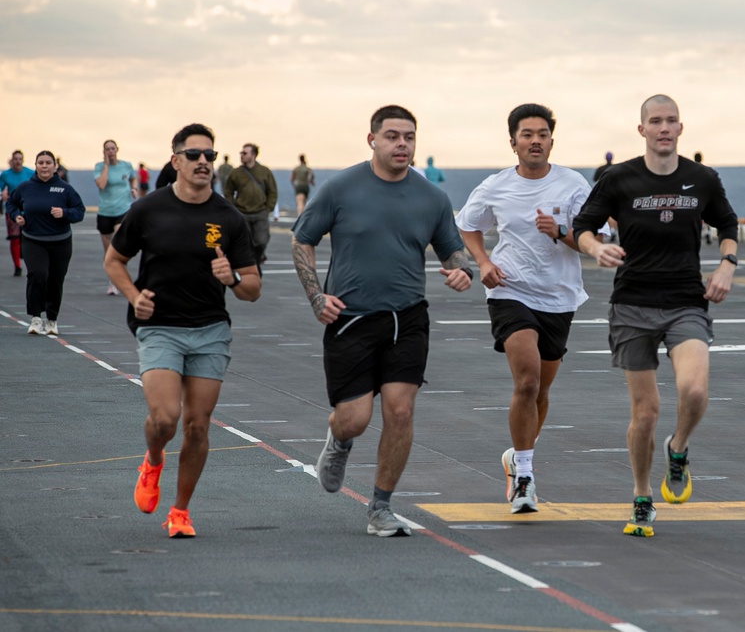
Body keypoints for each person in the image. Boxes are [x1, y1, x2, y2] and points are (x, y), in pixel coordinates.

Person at [291, 105, 472, 537]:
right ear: (372, 139)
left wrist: (463, 269)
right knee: (354, 418)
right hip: (351, 319)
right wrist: (316, 297)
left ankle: (380, 507)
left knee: (400, 411)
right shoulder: (340, 189)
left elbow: (453, 250)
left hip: (407, 318)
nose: (402, 144)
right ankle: (339, 440)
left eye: (409, 136)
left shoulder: (432, 197)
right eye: (392, 136)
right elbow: (302, 240)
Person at [572, 94, 739, 538]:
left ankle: (678, 447)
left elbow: (728, 225)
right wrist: (595, 247)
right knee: (644, 412)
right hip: (632, 305)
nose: (664, 128)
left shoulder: (701, 178)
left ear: (681, 129)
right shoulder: (618, 178)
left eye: (671, 121)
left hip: (686, 300)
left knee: (696, 389)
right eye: (655, 121)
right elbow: (581, 226)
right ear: (642, 129)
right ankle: (642, 496)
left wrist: (727, 264)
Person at [104, 123, 261, 538]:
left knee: (197, 425)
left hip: (210, 330)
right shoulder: (148, 210)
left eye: (209, 155)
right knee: (166, 418)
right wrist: (133, 296)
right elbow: (114, 261)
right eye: (194, 155)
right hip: (159, 328)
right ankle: (153, 458)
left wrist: (231, 279)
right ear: (175, 161)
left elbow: (252, 288)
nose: (204, 162)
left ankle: (180, 510)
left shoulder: (228, 217)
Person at [455, 103, 606, 514]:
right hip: (510, 291)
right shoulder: (495, 186)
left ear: (552, 141)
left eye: (542, 133)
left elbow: (598, 240)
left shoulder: (573, 185)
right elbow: (468, 225)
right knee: (526, 382)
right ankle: (524, 476)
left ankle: (516, 456)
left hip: (558, 296)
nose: (535, 140)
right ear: (513, 143)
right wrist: (484, 263)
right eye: (527, 134)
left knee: (540, 390)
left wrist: (561, 232)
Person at [7, 151, 85, 335]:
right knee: (37, 274)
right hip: (33, 240)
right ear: (35, 166)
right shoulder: (25, 187)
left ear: (54, 166)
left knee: (55, 280)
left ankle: (52, 319)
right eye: (40, 162)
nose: (44, 166)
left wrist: (64, 213)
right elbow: (11, 203)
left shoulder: (65, 189)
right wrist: (16, 215)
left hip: (60, 241)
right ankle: (35, 318)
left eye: (48, 163)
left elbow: (79, 211)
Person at [224, 143, 277, 271]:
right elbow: (228, 191)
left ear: (253, 155)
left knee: (261, 240)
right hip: (242, 212)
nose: (241, 155)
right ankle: (253, 266)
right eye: (241, 153)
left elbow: (272, 191)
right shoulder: (236, 173)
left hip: (260, 212)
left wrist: (268, 208)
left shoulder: (264, 171)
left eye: (245, 153)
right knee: (245, 242)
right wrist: (232, 208)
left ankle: (258, 258)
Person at [94, 139, 136, 295]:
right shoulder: (99, 167)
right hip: (106, 211)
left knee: (119, 244)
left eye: (112, 149)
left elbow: (133, 177)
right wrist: (106, 165)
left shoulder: (126, 165)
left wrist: (134, 188)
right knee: (109, 253)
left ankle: (121, 282)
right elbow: (101, 184)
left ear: (117, 149)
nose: (110, 152)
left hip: (123, 210)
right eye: (107, 149)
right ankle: (113, 281)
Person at [1, 150, 33, 277]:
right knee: (14, 238)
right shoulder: (5, 175)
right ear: (12, 160)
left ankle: (26, 257)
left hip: (28, 210)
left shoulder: (29, 173)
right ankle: (17, 266)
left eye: (20, 159)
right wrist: (3, 194)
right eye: (16, 159)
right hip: (12, 210)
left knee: (28, 237)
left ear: (23, 160)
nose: (18, 161)